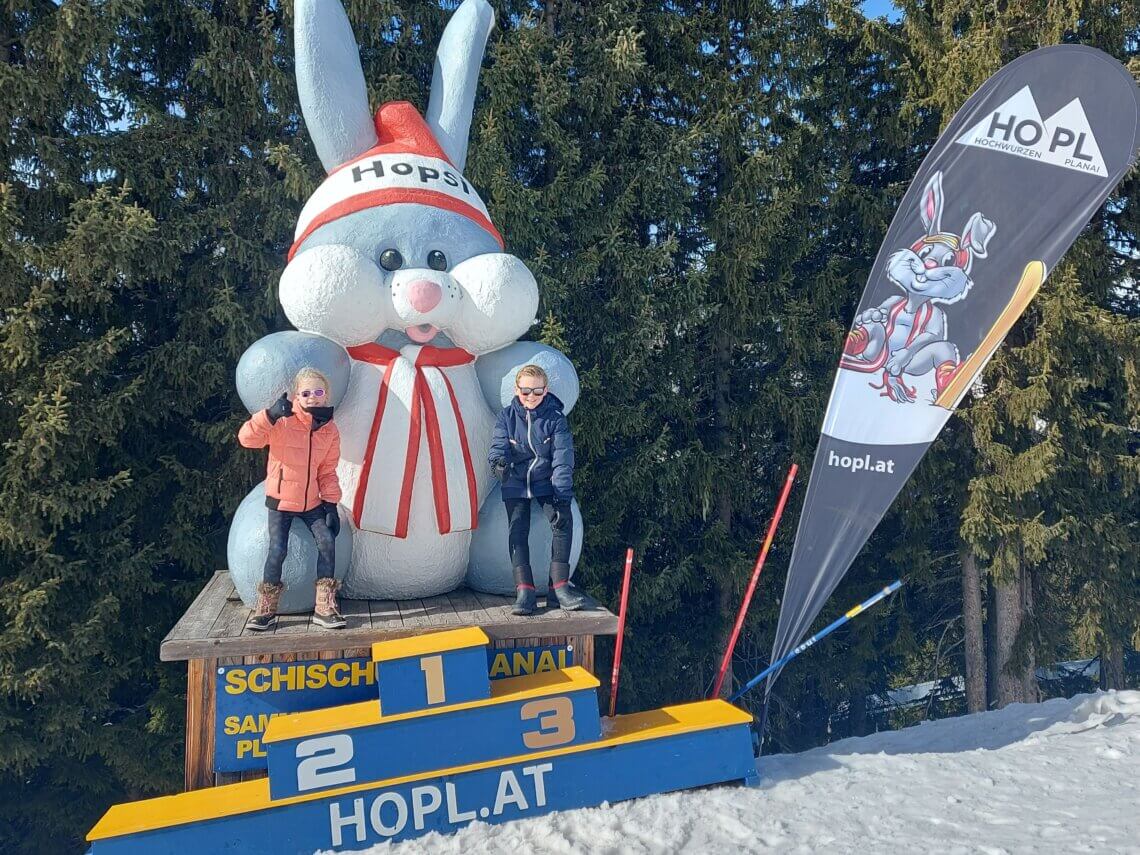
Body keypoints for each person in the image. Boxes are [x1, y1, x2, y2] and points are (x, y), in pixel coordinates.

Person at [237, 367, 345, 631]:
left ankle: (324, 606)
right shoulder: (282, 421)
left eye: (318, 392)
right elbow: (246, 439)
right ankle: (265, 609)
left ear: (325, 395)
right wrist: (269, 415)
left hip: (311, 503)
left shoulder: (329, 430)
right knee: (277, 550)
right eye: (306, 392)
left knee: (327, 541)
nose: (312, 397)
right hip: (281, 500)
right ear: (297, 394)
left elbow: (327, 470)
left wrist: (330, 504)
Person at [488, 364, 588, 615]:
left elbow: (563, 457)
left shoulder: (555, 419)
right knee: (517, 528)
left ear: (546, 390)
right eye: (525, 392)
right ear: (517, 390)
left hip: (545, 480)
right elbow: (499, 445)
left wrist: (562, 495)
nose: (531, 397)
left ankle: (560, 588)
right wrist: (498, 463)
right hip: (517, 481)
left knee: (563, 522)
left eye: (537, 391)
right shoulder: (507, 417)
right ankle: (525, 591)